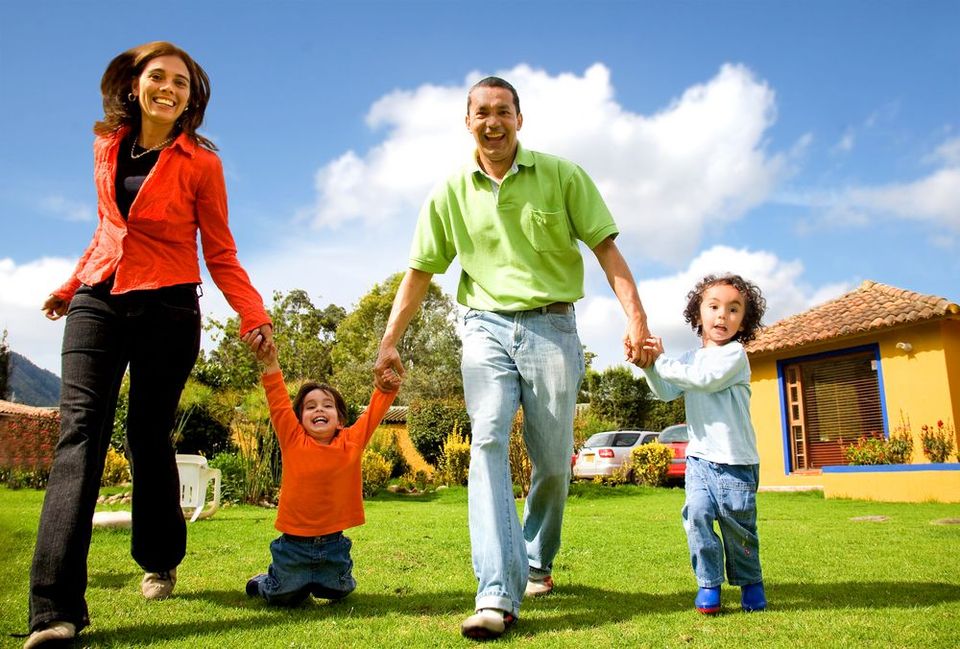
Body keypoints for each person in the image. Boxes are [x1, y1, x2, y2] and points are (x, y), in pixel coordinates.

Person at [374, 76, 651, 640]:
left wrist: (637, 318)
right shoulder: (449, 192)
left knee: (551, 461)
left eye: (503, 111)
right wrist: (389, 339)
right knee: (488, 439)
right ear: (467, 122)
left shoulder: (562, 175)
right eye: (481, 112)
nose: (492, 122)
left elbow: (606, 249)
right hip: (484, 326)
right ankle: (496, 593)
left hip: (552, 325)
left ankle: (536, 559)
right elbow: (420, 272)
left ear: (519, 120)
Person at [25, 42, 273, 648]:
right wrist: (70, 286)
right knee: (79, 434)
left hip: (169, 307)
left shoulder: (201, 164)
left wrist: (253, 314)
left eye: (181, 82)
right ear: (134, 86)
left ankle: (159, 557)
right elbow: (107, 230)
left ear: (191, 97)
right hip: (100, 297)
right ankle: (54, 609)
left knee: (146, 433)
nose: (168, 88)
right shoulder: (107, 146)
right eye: (157, 77)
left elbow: (221, 251)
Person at [638, 273, 767, 615]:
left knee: (739, 530)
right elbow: (667, 391)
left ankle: (751, 583)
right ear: (698, 315)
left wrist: (661, 360)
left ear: (743, 322)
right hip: (699, 460)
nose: (723, 315)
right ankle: (708, 583)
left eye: (733, 309)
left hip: (736, 462)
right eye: (714, 307)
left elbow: (704, 380)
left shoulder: (734, 355)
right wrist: (649, 365)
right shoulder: (688, 359)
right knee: (696, 516)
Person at [241, 331, 400, 606]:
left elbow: (373, 413)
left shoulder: (351, 441)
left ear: (339, 419)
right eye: (310, 407)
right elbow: (278, 400)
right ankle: (264, 581)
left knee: (340, 591)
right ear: (300, 419)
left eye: (328, 406)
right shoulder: (292, 439)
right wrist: (270, 363)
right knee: (283, 596)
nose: (319, 410)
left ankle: (313, 581)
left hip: (333, 545)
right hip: (294, 547)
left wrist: (386, 388)